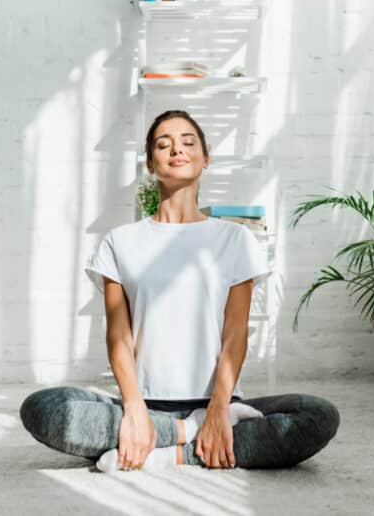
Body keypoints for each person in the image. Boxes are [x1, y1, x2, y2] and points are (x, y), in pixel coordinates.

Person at [19, 109, 340, 472]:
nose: (177, 149)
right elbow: (118, 338)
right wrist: (135, 409)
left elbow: (235, 335)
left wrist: (218, 408)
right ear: (151, 164)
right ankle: (188, 433)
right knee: (44, 408)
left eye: (188, 142)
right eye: (163, 144)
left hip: (219, 400)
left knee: (317, 416)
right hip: (145, 402)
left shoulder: (235, 240)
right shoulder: (119, 243)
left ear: (205, 159)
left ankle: (168, 450)